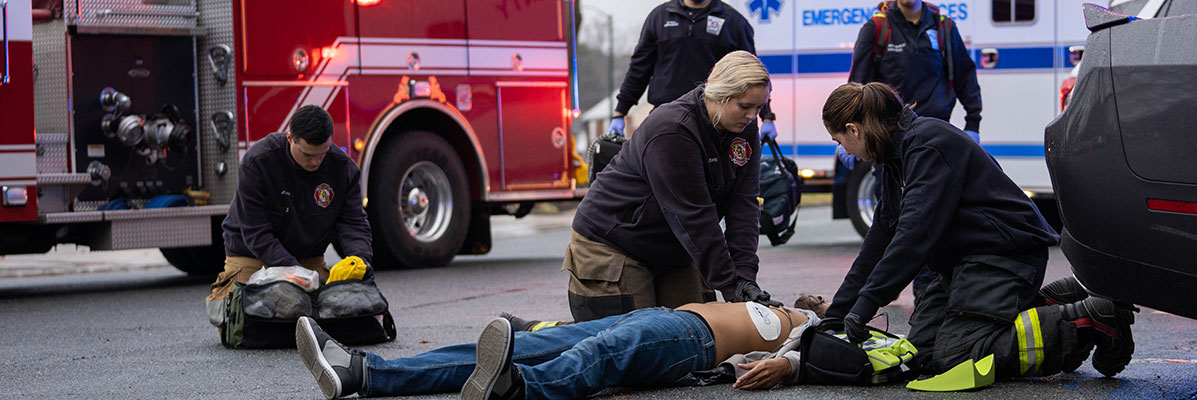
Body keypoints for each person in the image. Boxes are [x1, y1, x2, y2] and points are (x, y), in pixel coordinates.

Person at [818, 82, 1134, 388]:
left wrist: (868, 303)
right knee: (921, 356)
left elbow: (913, 236)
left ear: (854, 129)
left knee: (958, 357)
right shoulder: (894, 160)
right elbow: (879, 239)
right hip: (966, 265)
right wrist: (837, 314)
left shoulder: (927, 145)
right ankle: (1059, 301)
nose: (842, 149)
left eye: (838, 140)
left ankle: (1089, 319)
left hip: (1003, 256)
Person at [566, 51, 778, 322]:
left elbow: (744, 204)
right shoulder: (673, 131)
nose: (752, 116)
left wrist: (746, 279)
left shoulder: (743, 130)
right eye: (745, 106)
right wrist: (730, 284)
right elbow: (695, 217)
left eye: (759, 108)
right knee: (634, 341)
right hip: (614, 241)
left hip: (671, 244)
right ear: (721, 95)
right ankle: (532, 333)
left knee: (695, 334)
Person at [295, 296, 830, 399]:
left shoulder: (813, 328)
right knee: (529, 342)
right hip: (666, 318)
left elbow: (838, 360)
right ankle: (364, 374)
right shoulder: (782, 303)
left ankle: (521, 389)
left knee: (601, 356)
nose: (823, 298)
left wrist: (789, 364)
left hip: (691, 343)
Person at [204, 105, 372, 328]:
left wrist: (359, 261)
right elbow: (256, 231)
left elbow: (353, 223)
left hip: (306, 255)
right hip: (251, 252)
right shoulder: (258, 162)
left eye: (322, 154)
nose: (315, 162)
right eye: (307, 155)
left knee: (329, 316)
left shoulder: (343, 169)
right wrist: (293, 274)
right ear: (290, 138)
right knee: (237, 318)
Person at [610, 0, 778, 141]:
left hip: (714, 122)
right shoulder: (659, 17)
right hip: (665, 118)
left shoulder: (733, 22)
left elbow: (751, 74)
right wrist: (620, 113)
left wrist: (767, 116)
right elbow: (639, 70)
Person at [849, 0, 982, 144]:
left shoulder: (943, 27)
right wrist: (852, 131)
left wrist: (972, 125)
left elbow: (964, 76)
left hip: (936, 133)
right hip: (890, 136)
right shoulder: (876, 27)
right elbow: (858, 85)